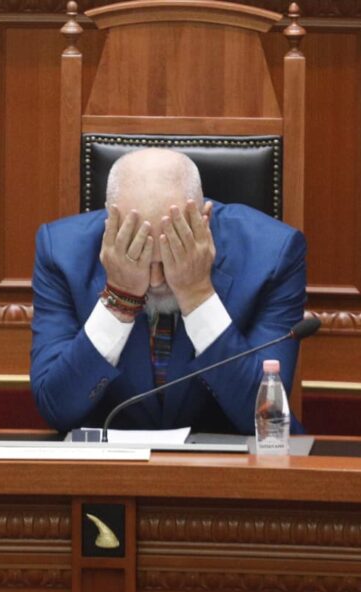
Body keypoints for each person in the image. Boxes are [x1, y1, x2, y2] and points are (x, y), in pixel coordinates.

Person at [29, 148, 307, 435]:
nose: (155, 280)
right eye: (139, 257)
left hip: (232, 459)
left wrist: (197, 294)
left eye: (169, 258)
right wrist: (119, 298)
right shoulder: (61, 253)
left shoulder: (273, 255)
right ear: (109, 226)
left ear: (203, 221)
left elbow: (266, 421)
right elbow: (56, 408)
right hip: (108, 460)